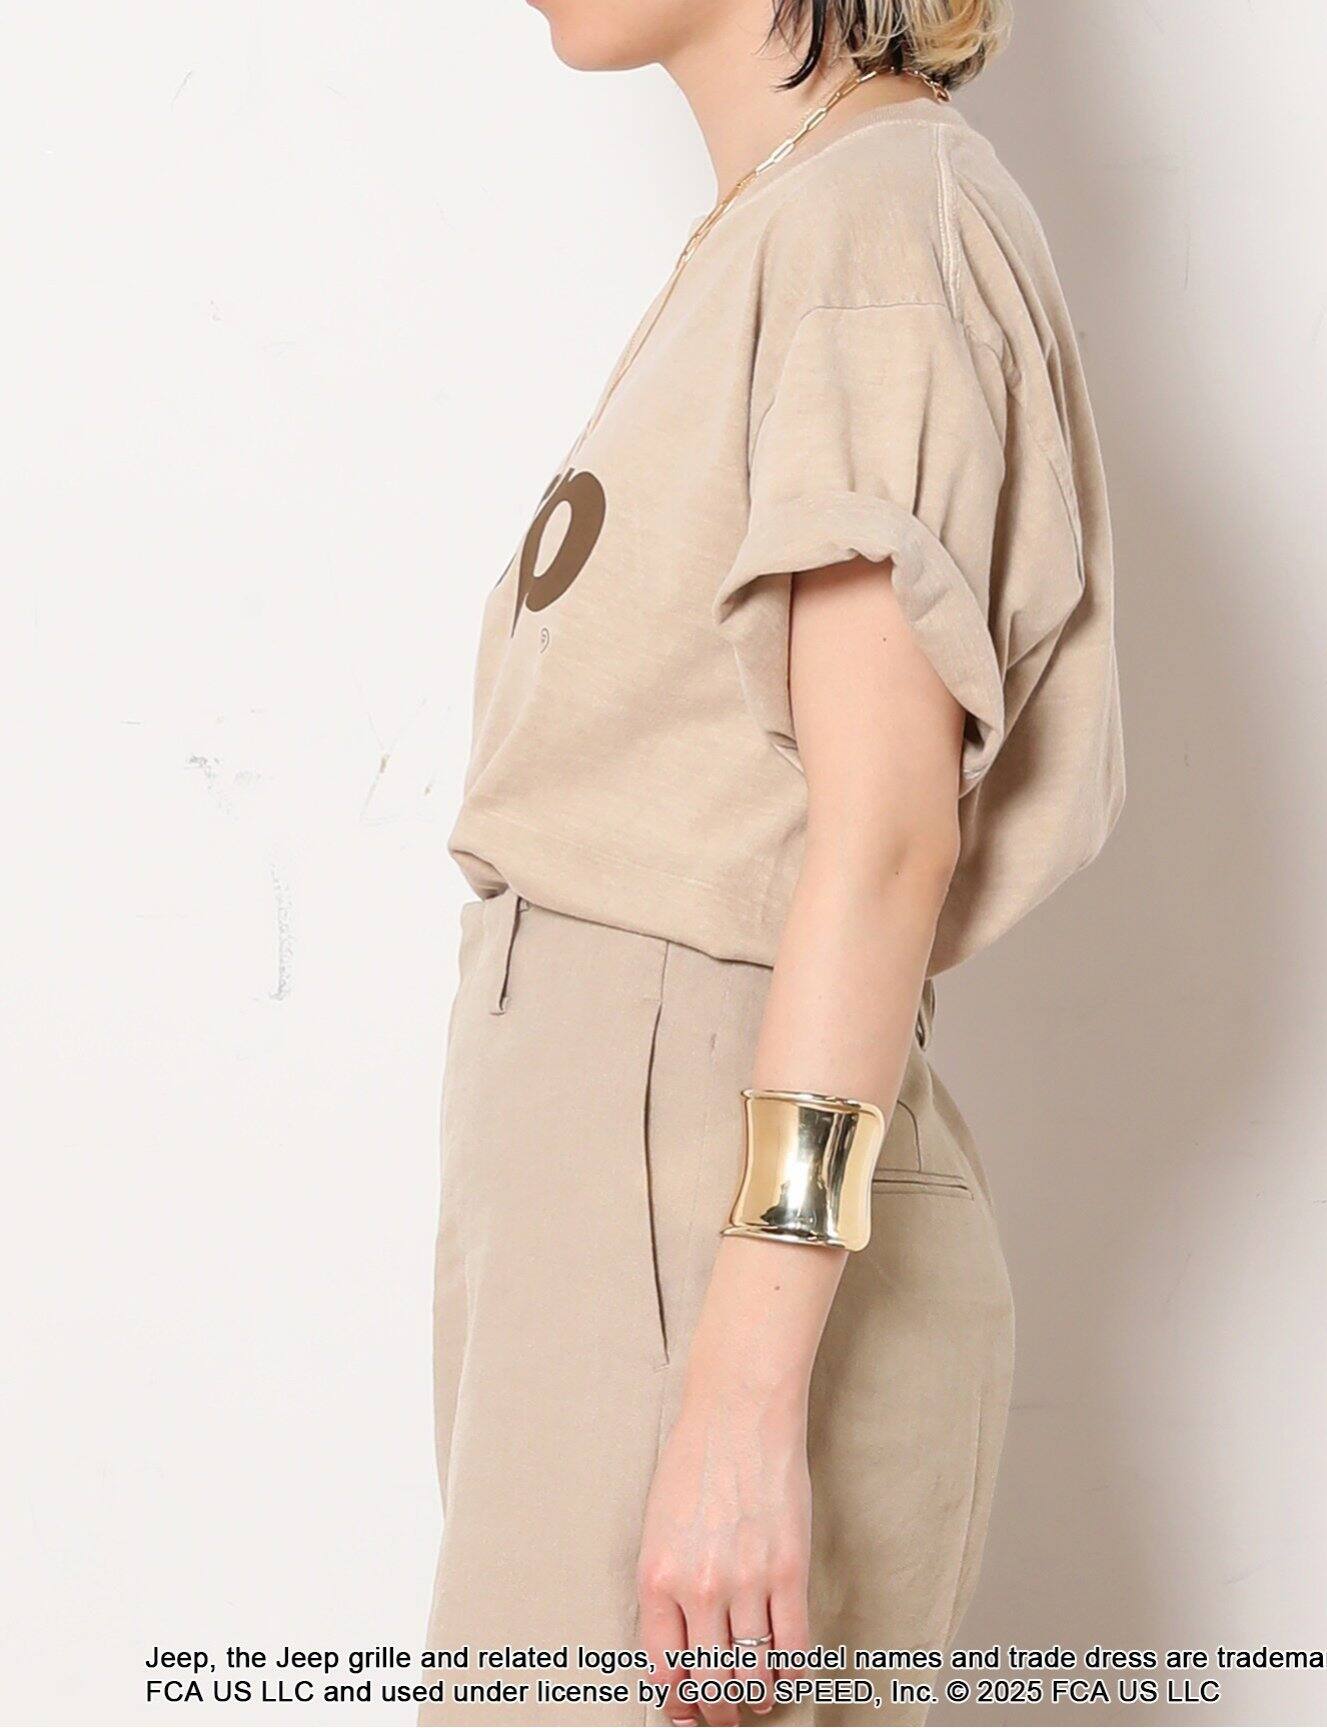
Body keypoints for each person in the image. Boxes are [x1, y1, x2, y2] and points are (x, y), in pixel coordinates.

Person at [423, 3, 1124, 1724]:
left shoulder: (875, 226)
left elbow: (885, 842)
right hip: (631, 1198)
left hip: (702, 1209)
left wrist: (741, 1403)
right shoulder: (796, 220)